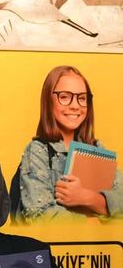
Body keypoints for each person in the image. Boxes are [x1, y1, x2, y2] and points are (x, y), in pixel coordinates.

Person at [18, 65, 123, 220]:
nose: (75, 106)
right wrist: (100, 215)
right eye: (65, 97)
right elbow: (38, 215)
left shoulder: (97, 148)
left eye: (81, 98)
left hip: (104, 244)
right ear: (48, 101)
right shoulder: (37, 151)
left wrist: (87, 197)